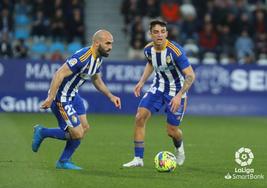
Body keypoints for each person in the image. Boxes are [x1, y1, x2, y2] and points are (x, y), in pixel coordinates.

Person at [32, 30, 121, 170]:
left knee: (84, 128)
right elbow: (59, 74)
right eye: (108, 43)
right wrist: (50, 98)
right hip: (61, 97)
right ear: (97, 43)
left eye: (111, 43)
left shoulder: (98, 57)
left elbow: (96, 79)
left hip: (74, 95)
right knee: (77, 133)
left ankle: (63, 161)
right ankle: (42, 132)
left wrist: (111, 96)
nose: (110, 47)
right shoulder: (82, 58)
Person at [123, 20, 195, 167]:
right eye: (156, 32)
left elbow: (190, 76)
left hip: (177, 91)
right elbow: (151, 63)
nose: (159, 35)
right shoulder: (148, 50)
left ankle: (179, 148)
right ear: (150, 34)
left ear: (167, 34)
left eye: (162, 31)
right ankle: (138, 159)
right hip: (158, 88)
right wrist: (142, 81)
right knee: (139, 117)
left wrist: (179, 95)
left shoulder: (175, 51)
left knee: (171, 131)